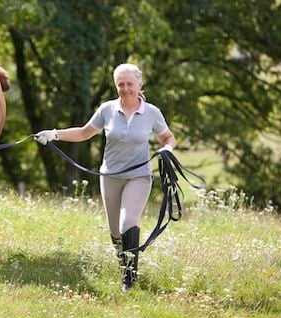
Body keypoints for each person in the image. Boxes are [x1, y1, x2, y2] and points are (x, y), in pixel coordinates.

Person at [35, 63, 176, 292]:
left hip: (138, 177)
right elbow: (84, 132)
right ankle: (125, 267)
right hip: (109, 176)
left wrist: (167, 149)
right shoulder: (107, 109)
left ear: (139, 84)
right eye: (120, 84)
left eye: (130, 83)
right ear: (115, 85)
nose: (125, 88)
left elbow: (168, 137)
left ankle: (129, 281)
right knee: (115, 232)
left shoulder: (152, 112)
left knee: (127, 223)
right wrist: (54, 134)